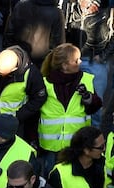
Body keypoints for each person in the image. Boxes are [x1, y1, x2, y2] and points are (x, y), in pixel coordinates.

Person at [39, 44, 102, 174]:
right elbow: (35, 113)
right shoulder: (45, 83)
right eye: (76, 60)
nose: (80, 62)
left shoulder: (86, 79)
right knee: (51, 178)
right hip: (51, 147)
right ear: (64, 65)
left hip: (76, 145)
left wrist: (87, 97)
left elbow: (95, 106)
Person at [3, 0, 64, 68]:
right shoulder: (56, 13)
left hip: (17, 59)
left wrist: (9, 53)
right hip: (40, 64)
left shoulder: (20, 6)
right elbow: (58, 45)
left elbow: (9, 33)